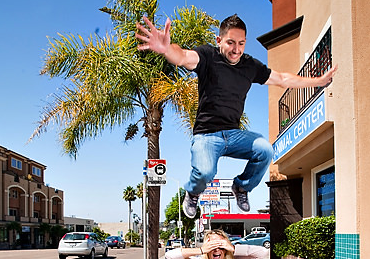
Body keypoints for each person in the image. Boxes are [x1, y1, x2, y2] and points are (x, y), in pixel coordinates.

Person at [136, 14, 337, 218]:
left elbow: (282, 78)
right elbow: (183, 57)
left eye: (241, 43)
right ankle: (193, 192)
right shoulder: (208, 56)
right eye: (230, 42)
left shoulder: (250, 65)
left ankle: (241, 187)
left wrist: (317, 81)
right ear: (219, 41)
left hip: (234, 135)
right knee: (205, 173)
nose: (236, 50)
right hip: (206, 136)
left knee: (265, 150)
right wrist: (167, 49)